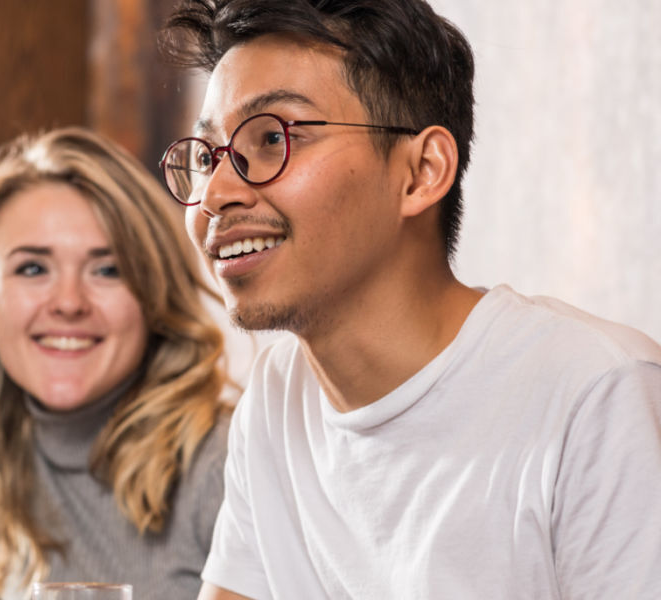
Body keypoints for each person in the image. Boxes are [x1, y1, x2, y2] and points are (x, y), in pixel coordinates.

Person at [156, 1, 661, 598]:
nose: (215, 194)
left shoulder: (595, 393)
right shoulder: (277, 397)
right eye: (208, 155)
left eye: (272, 138)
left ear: (423, 171)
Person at [0, 127, 232, 600]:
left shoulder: (221, 464)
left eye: (107, 269)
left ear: (154, 299)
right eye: (33, 268)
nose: (69, 302)